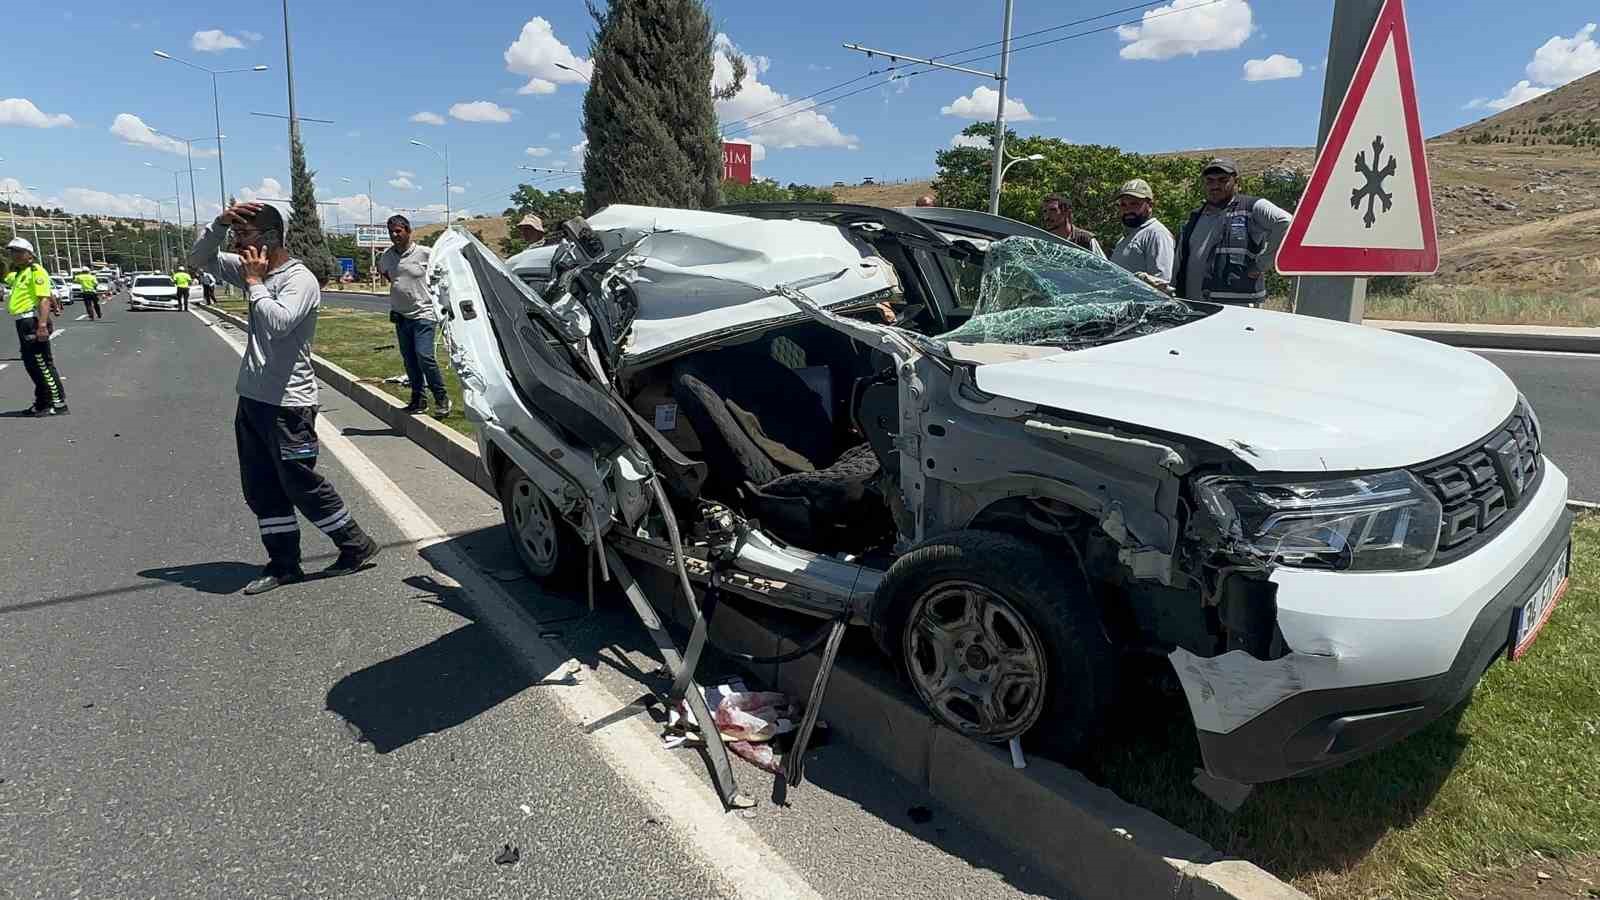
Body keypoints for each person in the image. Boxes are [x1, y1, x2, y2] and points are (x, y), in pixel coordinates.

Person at [188, 202, 381, 595]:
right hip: (253, 400)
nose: (237, 243)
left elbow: (278, 324)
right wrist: (219, 223)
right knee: (261, 487)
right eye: (235, 236)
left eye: (244, 236)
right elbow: (197, 258)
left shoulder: (299, 280)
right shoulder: (251, 269)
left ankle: (355, 544)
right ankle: (283, 564)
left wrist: (256, 283)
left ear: (271, 240)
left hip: (289, 404)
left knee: (300, 483)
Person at [1173, 157, 1294, 305]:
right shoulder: (1194, 216)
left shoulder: (1251, 206)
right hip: (1194, 306)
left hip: (1237, 307)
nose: (1215, 186)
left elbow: (1288, 223)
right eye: (1210, 181)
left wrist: (1261, 264)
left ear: (1236, 182)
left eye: (1222, 180)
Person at [376, 215, 451, 418]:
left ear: (408, 231)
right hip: (401, 316)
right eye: (391, 231)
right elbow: (389, 276)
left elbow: (443, 275)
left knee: (424, 356)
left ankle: (442, 397)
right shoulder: (386, 256)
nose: (394, 235)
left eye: (398, 231)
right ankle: (418, 400)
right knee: (409, 360)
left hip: (424, 314)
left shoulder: (426, 253)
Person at [5, 238, 68, 416]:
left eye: (18, 251)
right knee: (31, 364)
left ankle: (58, 402)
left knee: (42, 364)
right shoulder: (20, 273)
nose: (14, 255)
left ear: (30, 255)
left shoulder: (36, 271)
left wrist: (42, 324)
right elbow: (5, 275)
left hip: (33, 321)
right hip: (23, 321)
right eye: (12, 252)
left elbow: (43, 298)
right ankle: (42, 402)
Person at [1108, 179, 1176, 285]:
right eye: (1123, 204)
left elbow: (1161, 283)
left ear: (1150, 205)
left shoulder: (1156, 234)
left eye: (1134, 204)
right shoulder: (1126, 237)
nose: (1127, 209)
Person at [1039, 194, 1104, 256]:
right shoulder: (1043, 242)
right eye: (1045, 211)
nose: (1047, 216)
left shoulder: (1086, 240)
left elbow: (1104, 266)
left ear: (1066, 212)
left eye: (1053, 210)